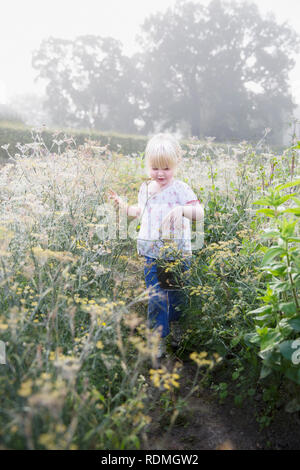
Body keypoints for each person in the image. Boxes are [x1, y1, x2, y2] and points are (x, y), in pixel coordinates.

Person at [108, 133, 203, 360]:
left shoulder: (181, 189)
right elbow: (140, 211)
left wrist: (181, 210)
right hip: (152, 253)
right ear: (147, 165)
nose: (160, 173)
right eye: (155, 168)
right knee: (157, 297)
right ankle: (158, 339)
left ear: (175, 166)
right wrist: (123, 206)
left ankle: (178, 332)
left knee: (177, 295)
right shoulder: (146, 189)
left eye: (166, 168)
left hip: (177, 254)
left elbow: (199, 213)